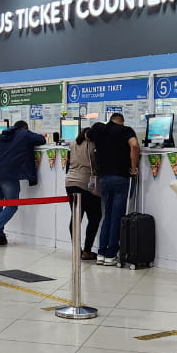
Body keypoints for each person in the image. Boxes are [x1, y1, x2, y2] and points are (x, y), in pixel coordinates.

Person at [0, 120, 45, 246]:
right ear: (25, 128)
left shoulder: (1, 136)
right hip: (9, 174)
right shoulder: (24, 134)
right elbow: (41, 140)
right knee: (12, 205)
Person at [92, 113, 141, 266]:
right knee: (117, 216)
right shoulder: (126, 130)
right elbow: (134, 145)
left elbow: (86, 136)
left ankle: (101, 252)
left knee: (107, 215)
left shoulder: (99, 130)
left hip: (104, 178)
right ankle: (111, 254)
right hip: (120, 177)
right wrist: (133, 168)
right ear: (122, 121)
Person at [64, 123, 104, 260]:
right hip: (85, 183)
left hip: (69, 182)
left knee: (76, 218)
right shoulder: (93, 145)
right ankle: (87, 250)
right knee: (95, 217)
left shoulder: (73, 143)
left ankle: (77, 250)